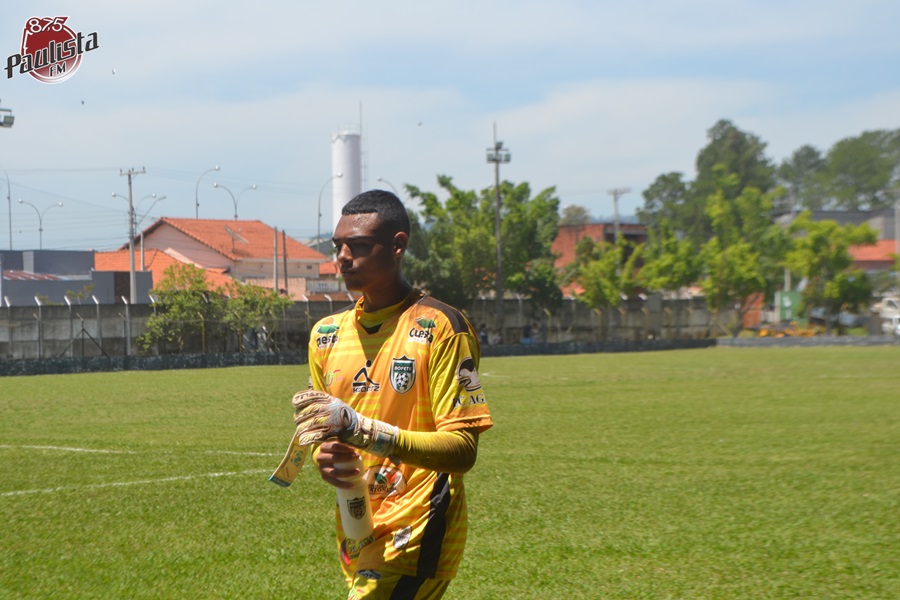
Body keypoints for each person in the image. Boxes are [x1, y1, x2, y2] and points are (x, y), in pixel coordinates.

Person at [292, 190, 493, 599]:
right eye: (338, 246)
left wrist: (364, 432)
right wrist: (322, 456)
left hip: (419, 524)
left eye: (359, 245)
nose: (343, 257)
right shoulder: (325, 335)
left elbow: (462, 450)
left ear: (398, 245)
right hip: (357, 525)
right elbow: (324, 434)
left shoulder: (441, 327)